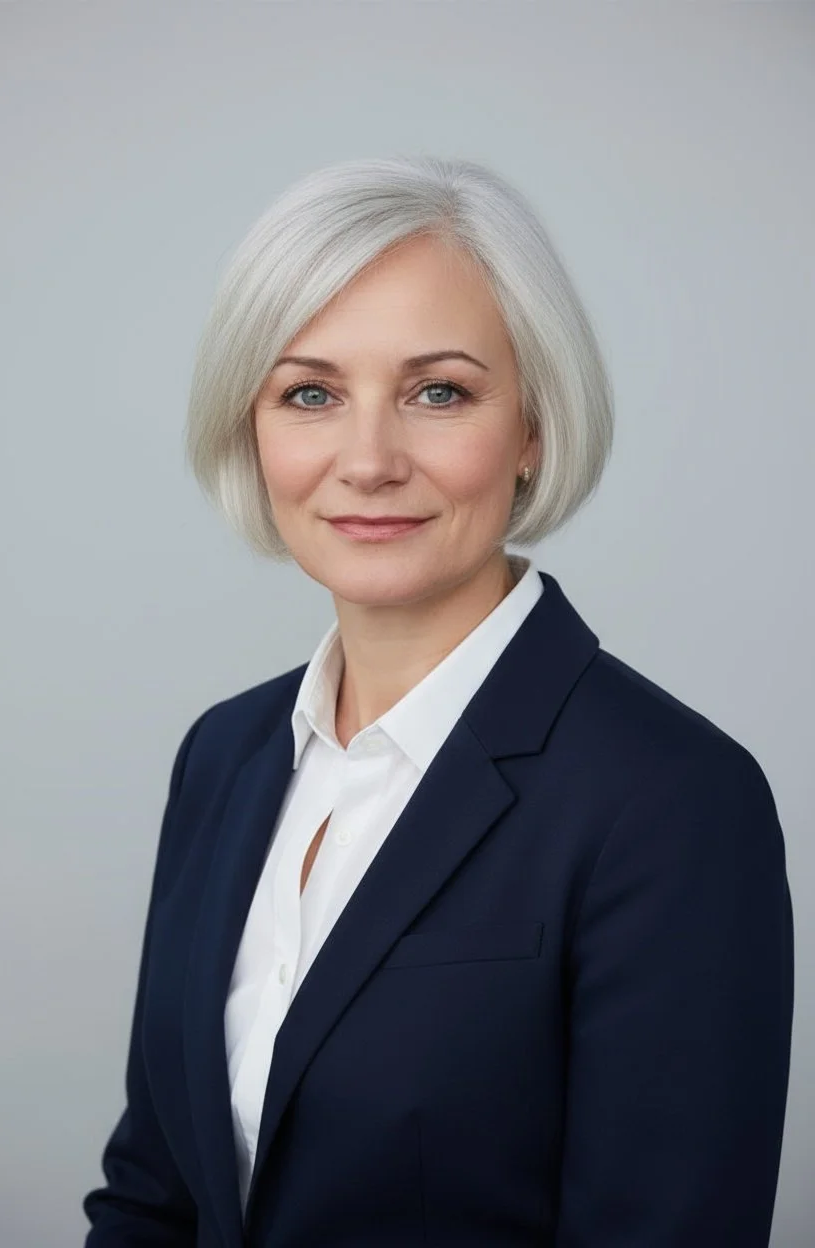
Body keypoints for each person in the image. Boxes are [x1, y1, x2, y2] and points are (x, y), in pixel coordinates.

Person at [83, 154, 793, 1247]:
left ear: (532, 432)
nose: (367, 460)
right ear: (253, 427)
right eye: (309, 393)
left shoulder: (674, 801)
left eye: (438, 392)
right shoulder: (222, 755)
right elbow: (153, 1195)